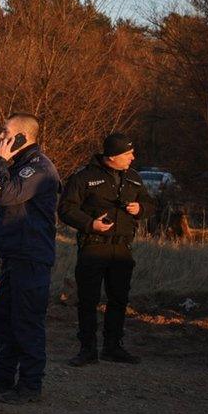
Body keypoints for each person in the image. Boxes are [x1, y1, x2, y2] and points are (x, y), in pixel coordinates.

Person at [0, 113, 61, 404]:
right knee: (5, 319)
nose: (0, 138)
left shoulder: (38, 168)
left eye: (5, 133)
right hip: (15, 255)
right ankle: (2, 376)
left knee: (27, 321)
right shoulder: (21, 166)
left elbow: (6, 196)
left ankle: (30, 385)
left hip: (31, 257)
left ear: (21, 137)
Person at [58, 133, 155, 366]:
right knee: (88, 300)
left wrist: (140, 208)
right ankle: (87, 349)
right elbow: (66, 209)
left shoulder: (133, 178)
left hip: (122, 249)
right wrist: (90, 224)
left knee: (119, 299)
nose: (133, 157)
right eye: (128, 154)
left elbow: (150, 204)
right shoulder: (83, 178)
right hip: (93, 248)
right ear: (112, 157)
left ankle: (113, 347)